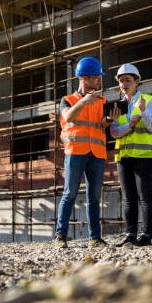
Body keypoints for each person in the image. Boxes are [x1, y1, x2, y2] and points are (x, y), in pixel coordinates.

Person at [54, 56, 112, 249]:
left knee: (94, 196)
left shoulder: (101, 100)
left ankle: (95, 238)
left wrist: (108, 121)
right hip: (75, 152)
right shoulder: (67, 100)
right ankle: (60, 236)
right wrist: (84, 102)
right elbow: (68, 116)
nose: (98, 80)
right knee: (69, 193)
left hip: (96, 153)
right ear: (84, 77)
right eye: (96, 76)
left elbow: (101, 125)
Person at [109, 63, 152, 247]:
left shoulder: (148, 100)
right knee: (128, 198)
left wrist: (144, 110)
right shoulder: (117, 105)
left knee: (145, 197)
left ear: (137, 81)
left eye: (128, 80)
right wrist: (129, 125)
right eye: (121, 81)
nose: (124, 84)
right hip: (124, 157)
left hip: (146, 156)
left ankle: (146, 236)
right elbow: (114, 132)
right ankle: (130, 235)